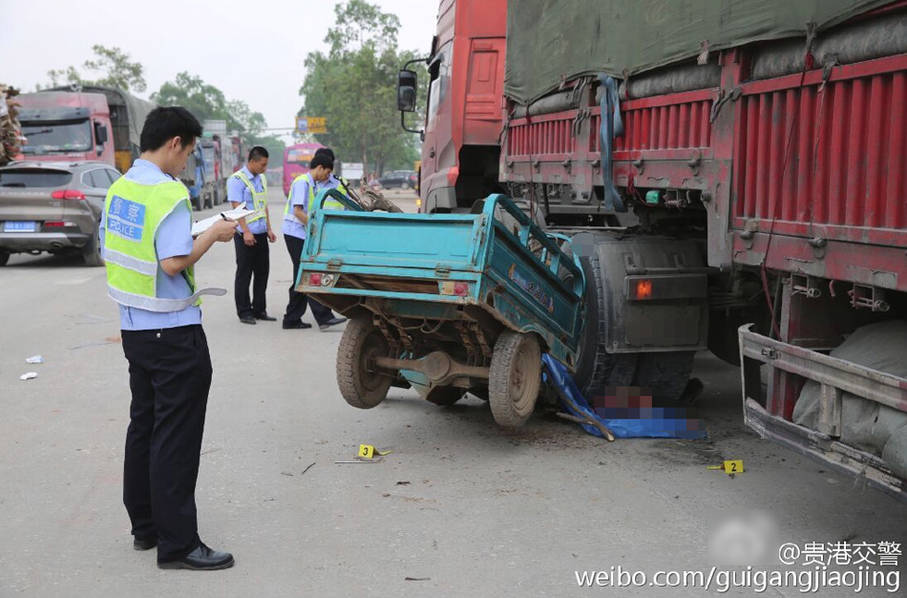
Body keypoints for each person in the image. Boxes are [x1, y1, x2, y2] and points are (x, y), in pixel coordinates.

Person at [99, 106, 237, 571]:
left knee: (145, 427)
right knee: (175, 439)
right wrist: (215, 233)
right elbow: (173, 262)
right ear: (175, 142)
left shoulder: (120, 189)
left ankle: (146, 528)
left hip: (135, 330)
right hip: (173, 332)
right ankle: (178, 545)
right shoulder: (168, 192)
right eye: (189, 153)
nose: (187, 164)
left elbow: (124, 250)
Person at [281, 151, 347, 330]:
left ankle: (292, 319)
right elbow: (298, 211)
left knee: (300, 276)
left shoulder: (311, 183)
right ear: (320, 168)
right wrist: (315, 228)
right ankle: (322, 317)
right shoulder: (303, 183)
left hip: (300, 233)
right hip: (296, 234)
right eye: (326, 173)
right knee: (307, 274)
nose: (327, 177)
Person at [228, 146, 277, 324]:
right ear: (253, 161)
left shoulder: (261, 178)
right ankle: (244, 312)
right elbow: (236, 207)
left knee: (262, 273)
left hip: (261, 233)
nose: (264, 168)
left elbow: (263, 205)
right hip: (245, 236)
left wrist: (269, 229)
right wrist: (246, 231)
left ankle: (259, 310)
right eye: (262, 165)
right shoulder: (237, 180)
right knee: (244, 274)